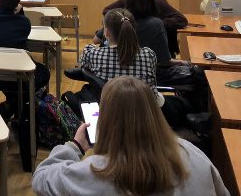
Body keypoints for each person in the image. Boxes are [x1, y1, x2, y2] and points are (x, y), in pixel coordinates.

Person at [32, 76, 230, 196]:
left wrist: (74, 146)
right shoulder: (191, 153)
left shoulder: (93, 172)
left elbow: (41, 178)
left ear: (105, 120)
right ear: (154, 114)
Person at [80, 8, 186, 126]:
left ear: (106, 32)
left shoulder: (92, 54)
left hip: (110, 115)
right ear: (133, 30)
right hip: (147, 117)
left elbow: (83, 66)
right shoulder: (148, 54)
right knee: (182, 104)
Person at [102, 0, 187, 55]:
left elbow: (181, 19)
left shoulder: (157, 1)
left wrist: (156, 24)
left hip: (154, 50)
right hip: (130, 47)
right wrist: (124, 20)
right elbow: (107, 10)